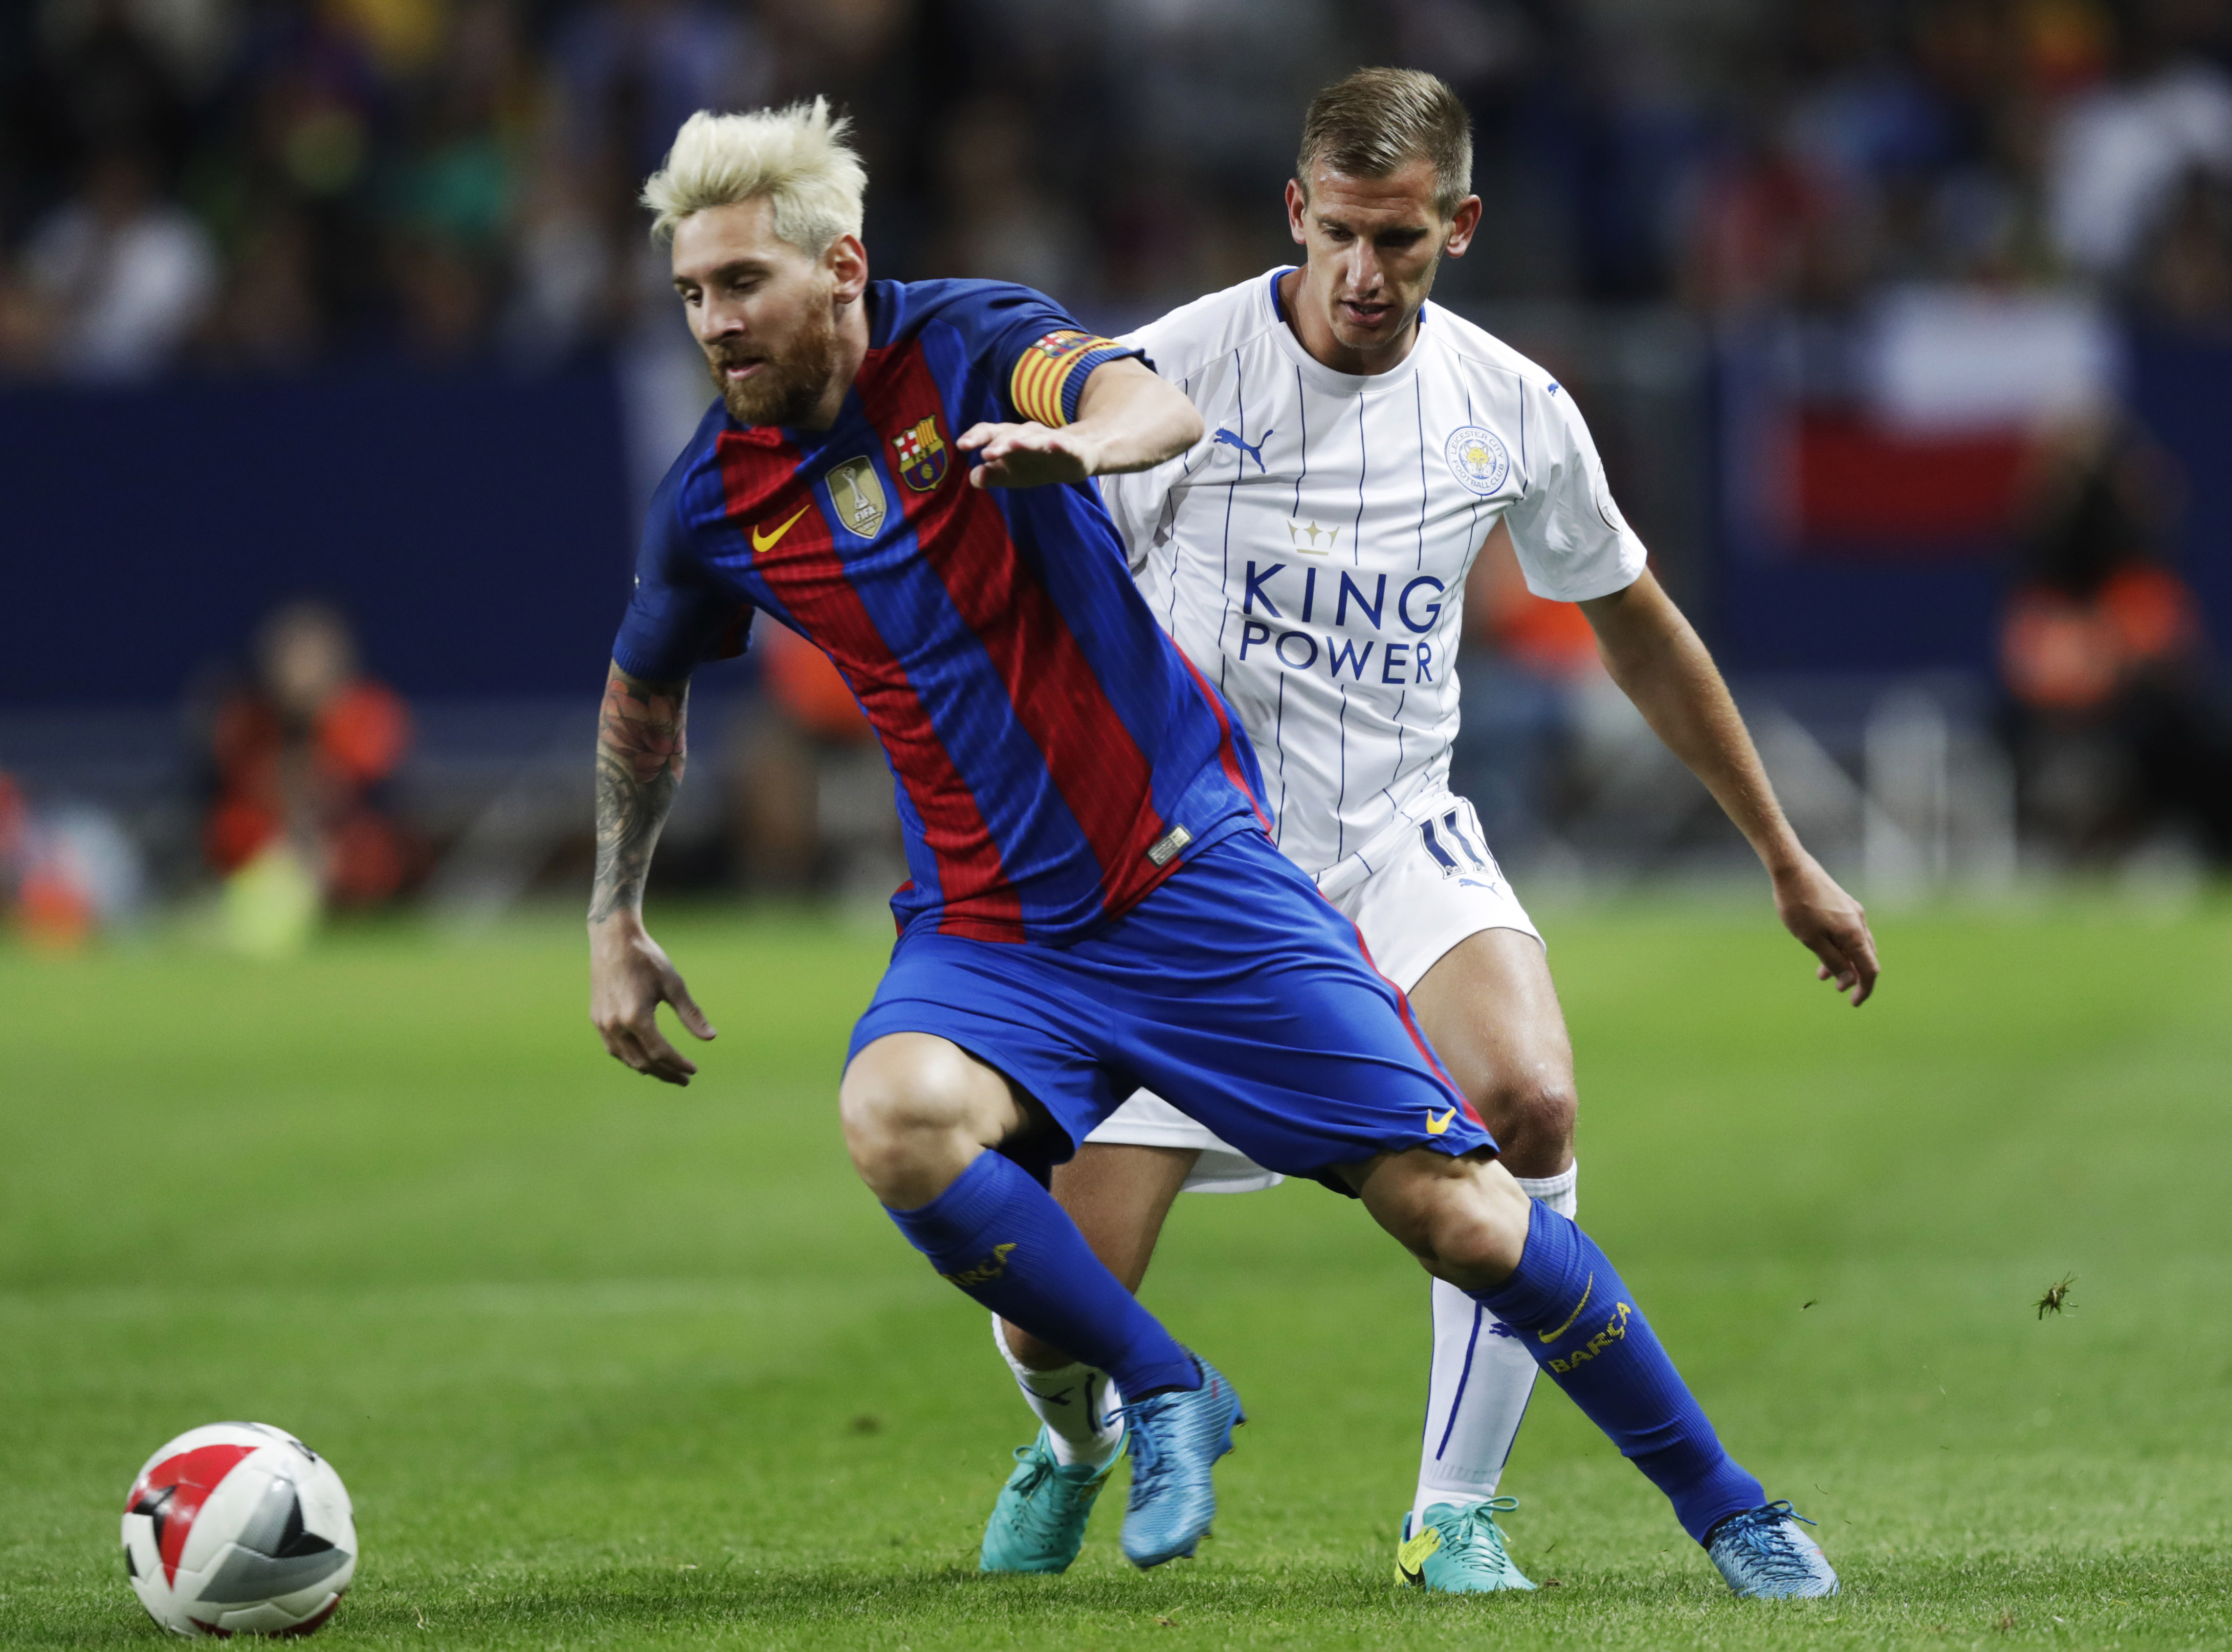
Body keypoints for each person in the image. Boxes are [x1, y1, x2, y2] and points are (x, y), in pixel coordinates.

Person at [586, 97, 1841, 1597]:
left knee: (1501, 1145)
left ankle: (1639, 1507)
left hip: (1244, 862)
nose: (713, 323)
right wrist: (615, 911)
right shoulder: (717, 497)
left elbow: (1138, 411)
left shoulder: (995, 343)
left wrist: (1071, 446)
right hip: (1001, 926)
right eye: (691, 294)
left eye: (740, 286)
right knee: (960, 1209)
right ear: (1293, 213)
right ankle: (1116, 1414)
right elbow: (642, 686)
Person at [975, 68, 1880, 1592]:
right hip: (1184, 878)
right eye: (1337, 232)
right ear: (1294, 211)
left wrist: (1783, 856)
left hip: (1395, 838)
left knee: (1526, 1103)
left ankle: (1450, 1511)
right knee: (1044, 1306)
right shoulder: (1166, 374)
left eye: (1398, 239)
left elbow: (1638, 627)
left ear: (1456, 225)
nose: (1361, 272)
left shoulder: (1509, 404)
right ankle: (1073, 1443)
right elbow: (1030, 631)